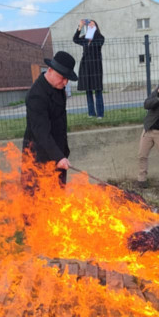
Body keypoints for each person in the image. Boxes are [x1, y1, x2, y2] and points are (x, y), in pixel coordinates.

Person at [23, 51, 77, 190]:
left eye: (67, 79)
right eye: (62, 77)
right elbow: (41, 132)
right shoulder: (36, 95)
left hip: (58, 152)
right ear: (50, 70)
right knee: (40, 197)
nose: (65, 83)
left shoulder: (59, 88)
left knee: (58, 194)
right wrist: (58, 157)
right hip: (39, 157)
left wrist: (62, 154)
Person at [73, 19, 105, 118]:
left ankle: (100, 114)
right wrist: (80, 27)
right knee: (88, 91)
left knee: (98, 90)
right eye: (89, 24)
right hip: (86, 66)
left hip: (96, 67)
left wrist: (93, 31)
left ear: (96, 26)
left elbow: (99, 42)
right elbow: (75, 39)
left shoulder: (100, 37)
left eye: (92, 24)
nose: (90, 25)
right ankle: (91, 113)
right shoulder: (85, 38)